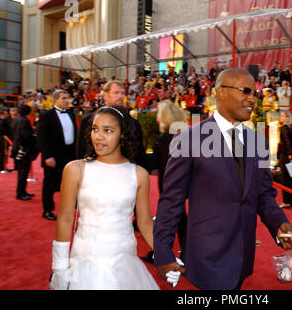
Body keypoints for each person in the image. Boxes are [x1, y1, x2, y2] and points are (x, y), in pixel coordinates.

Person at [153, 68, 292, 290]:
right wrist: (163, 252)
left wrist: (279, 224)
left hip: (243, 255)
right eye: (246, 91)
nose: (252, 98)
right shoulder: (188, 139)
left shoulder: (258, 143)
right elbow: (171, 201)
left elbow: (265, 195)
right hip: (206, 255)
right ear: (221, 93)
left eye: (255, 94)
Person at [49, 106, 160, 290]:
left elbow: (145, 223)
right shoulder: (76, 169)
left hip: (125, 263)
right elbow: (66, 219)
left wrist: (164, 255)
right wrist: (59, 267)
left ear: (123, 135)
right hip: (85, 262)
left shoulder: (139, 174)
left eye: (108, 130)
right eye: (95, 129)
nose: (98, 136)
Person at [142, 100, 189, 263]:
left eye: (158, 115)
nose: (156, 118)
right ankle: (186, 253)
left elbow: (161, 166)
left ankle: (162, 256)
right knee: (179, 219)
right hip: (181, 185)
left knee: (166, 222)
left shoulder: (164, 140)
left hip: (169, 185)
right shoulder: (184, 136)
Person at [37, 90, 77, 221]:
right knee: (49, 183)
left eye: (67, 98)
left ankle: (68, 209)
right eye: (63, 98)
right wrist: (48, 156)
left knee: (69, 184)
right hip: (54, 155)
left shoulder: (71, 114)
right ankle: (47, 210)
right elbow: (42, 138)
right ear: (55, 100)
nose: (67, 100)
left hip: (69, 154)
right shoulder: (46, 115)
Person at [11, 105, 38, 200]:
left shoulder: (16, 120)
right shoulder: (24, 121)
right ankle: (20, 193)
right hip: (23, 149)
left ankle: (22, 191)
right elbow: (27, 135)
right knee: (23, 172)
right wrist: (35, 138)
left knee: (22, 172)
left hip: (17, 147)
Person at [278, 110, 292, 208]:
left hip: (286, 156)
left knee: (285, 179)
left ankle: (286, 201)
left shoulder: (284, 128)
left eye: (282, 116)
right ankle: (289, 201)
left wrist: (290, 156)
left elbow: (287, 143)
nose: (280, 118)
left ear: (287, 118)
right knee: (291, 180)